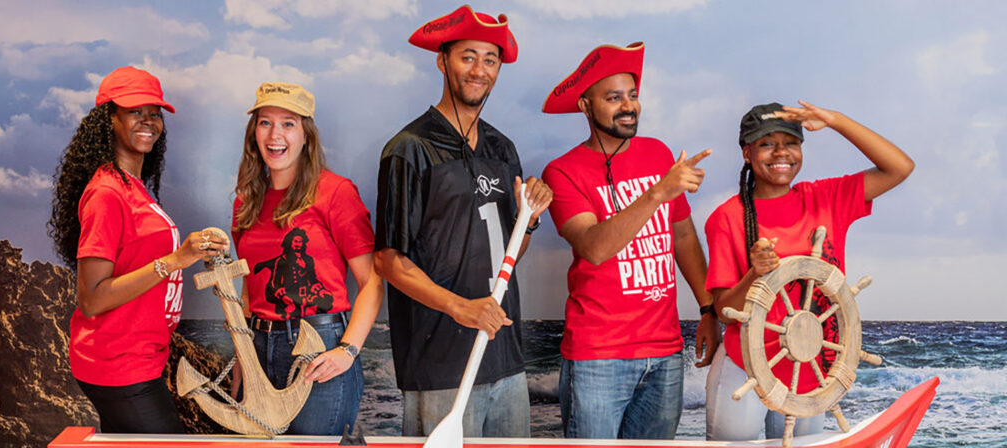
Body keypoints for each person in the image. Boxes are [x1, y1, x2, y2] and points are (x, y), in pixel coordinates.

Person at [373, 5, 552, 438]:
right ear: (442, 61)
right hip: (440, 365)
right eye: (467, 57)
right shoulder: (409, 149)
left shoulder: (502, 148)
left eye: (490, 60)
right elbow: (388, 260)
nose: (479, 70)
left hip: (505, 359)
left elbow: (509, 250)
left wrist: (528, 220)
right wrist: (461, 308)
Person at [704, 101, 914, 440]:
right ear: (747, 153)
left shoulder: (826, 198)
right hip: (745, 368)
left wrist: (835, 120)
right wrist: (754, 274)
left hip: (811, 374)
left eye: (791, 142)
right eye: (766, 143)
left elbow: (900, 168)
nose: (780, 153)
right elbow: (724, 311)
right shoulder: (727, 218)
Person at [540, 42, 720, 440]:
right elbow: (594, 247)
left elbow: (683, 235)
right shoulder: (562, 171)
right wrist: (657, 192)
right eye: (614, 98)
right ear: (586, 106)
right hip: (597, 357)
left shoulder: (658, 154)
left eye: (633, 95)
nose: (628, 106)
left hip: (665, 352)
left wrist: (708, 308)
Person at [49, 66, 228, 433]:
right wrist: (176, 259)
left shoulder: (132, 186)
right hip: (119, 363)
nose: (148, 121)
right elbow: (92, 299)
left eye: (154, 113)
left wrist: (195, 250)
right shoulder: (106, 193)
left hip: (139, 358)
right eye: (134, 111)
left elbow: (139, 256)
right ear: (109, 119)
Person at [231, 82, 383, 435]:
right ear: (254, 133)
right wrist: (242, 354)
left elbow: (372, 281)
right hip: (257, 347)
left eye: (288, 123)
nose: (275, 135)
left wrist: (347, 350)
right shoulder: (246, 202)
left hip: (319, 347)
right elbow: (250, 287)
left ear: (306, 136)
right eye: (265, 122)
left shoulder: (336, 192)